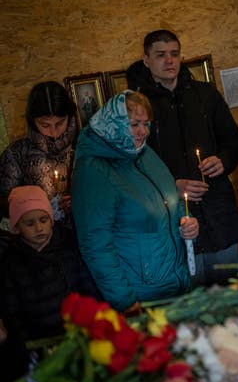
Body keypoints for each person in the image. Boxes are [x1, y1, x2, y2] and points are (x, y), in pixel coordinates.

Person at [126, 30, 238, 286]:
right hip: (171, 217)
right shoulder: (138, 107)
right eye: (160, 55)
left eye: (174, 54)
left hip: (218, 211)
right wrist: (171, 186)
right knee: (191, 299)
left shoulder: (206, 94)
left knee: (233, 293)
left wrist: (223, 160)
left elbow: (233, 140)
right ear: (146, 59)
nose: (169, 61)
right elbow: (132, 164)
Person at [72, 91, 197, 313]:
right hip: (140, 294)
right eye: (134, 124)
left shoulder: (145, 154)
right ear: (113, 124)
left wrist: (187, 224)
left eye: (146, 124)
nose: (143, 132)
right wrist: (124, 301)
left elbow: (171, 203)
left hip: (174, 282)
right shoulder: (94, 169)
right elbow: (95, 245)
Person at [0, 186, 100, 381]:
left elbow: (87, 285)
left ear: (51, 219)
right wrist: (28, 346)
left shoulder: (68, 246)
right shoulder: (11, 262)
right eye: (30, 223)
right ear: (17, 226)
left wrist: (95, 321)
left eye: (43, 220)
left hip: (76, 334)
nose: (39, 228)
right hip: (39, 342)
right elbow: (13, 312)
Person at [0, 81, 78, 224]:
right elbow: (3, 202)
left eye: (60, 123)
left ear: (70, 116)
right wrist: (38, 207)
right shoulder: (17, 153)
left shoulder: (84, 145)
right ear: (32, 121)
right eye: (45, 125)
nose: (54, 133)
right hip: (38, 241)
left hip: (85, 234)